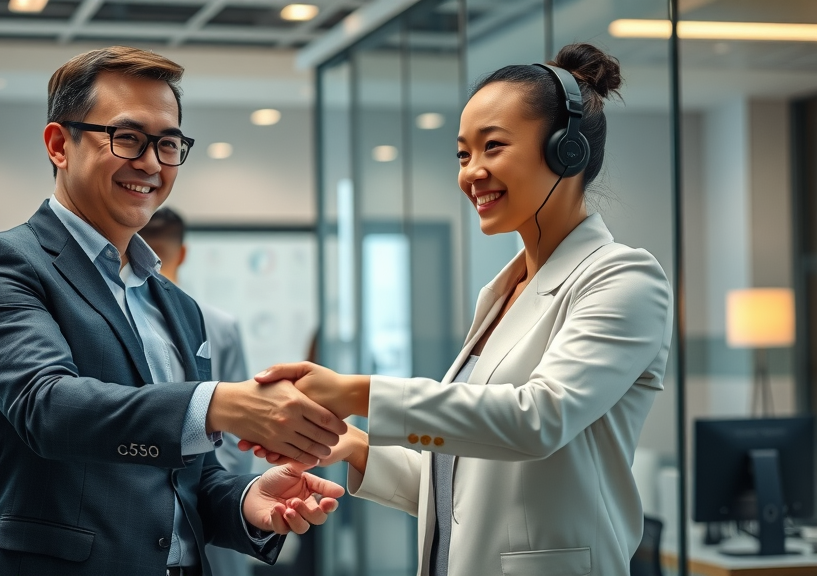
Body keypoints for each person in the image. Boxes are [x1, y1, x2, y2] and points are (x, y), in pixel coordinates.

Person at [250, 43, 673, 576]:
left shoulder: (624, 278)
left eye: (492, 147)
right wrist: (356, 447)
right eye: (462, 154)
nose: (472, 172)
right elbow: (463, 493)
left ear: (567, 152)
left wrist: (357, 393)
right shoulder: (502, 293)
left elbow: (537, 421)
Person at [0, 46, 347, 575]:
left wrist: (247, 501)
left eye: (169, 143)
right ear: (59, 144)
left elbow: (187, 478)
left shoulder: (179, 307)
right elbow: (47, 408)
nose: (152, 163)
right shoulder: (1, 263)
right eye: (128, 138)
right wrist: (218, 404)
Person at [141, 207, 254, 576]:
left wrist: (223, 495)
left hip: (206, 507)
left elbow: (241, 421)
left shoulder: (211, 322)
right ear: (183, 252)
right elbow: (241, 435)